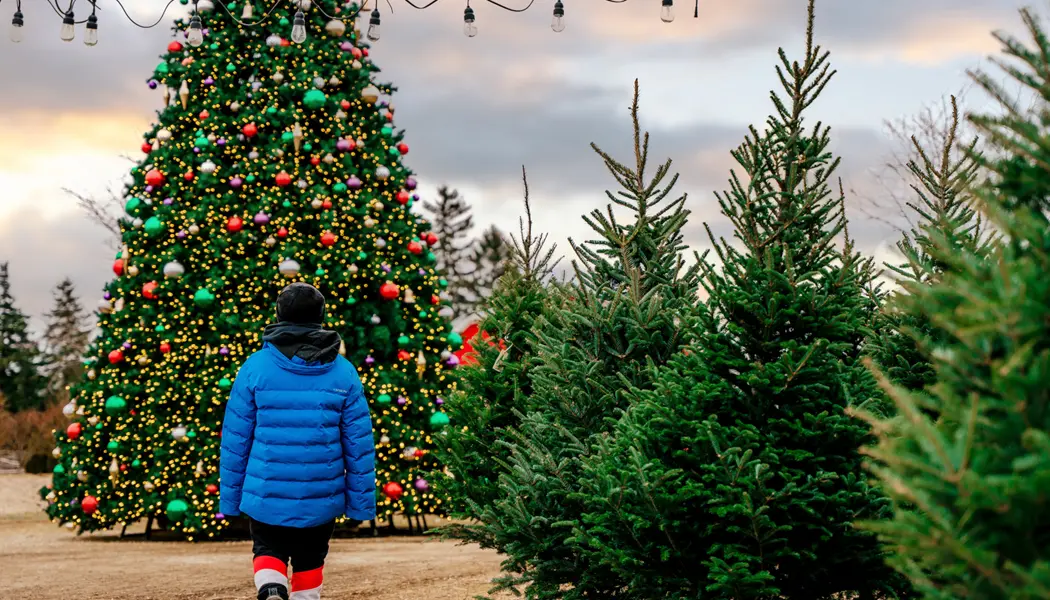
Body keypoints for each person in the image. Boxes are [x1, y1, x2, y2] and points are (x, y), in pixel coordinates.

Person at [220, 282, 377, 600]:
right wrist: (361, 506)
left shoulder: (255, 367)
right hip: (321, 494)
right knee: (310, 558)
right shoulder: (344, 372)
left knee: (268, 548)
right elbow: (358, 445)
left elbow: (236, 440)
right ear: (321, 316)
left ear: (279, 315)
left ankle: (271, 587)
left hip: (267, 491)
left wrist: (231, 499)